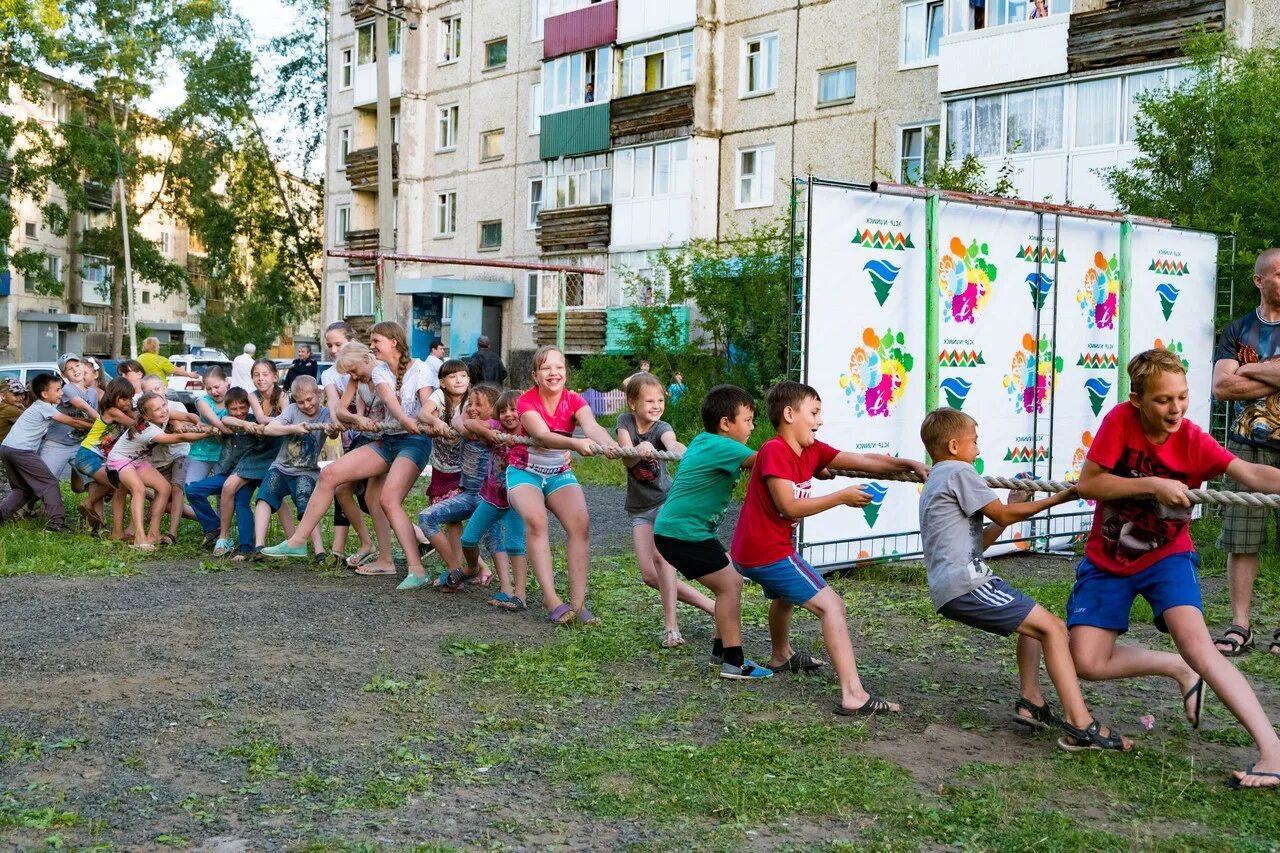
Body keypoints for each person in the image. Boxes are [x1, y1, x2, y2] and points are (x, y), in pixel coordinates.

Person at [1071, 348, 1280, 789]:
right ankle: (1176, 667)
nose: (1176, 408)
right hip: (1107, 559)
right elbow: (1089, 483)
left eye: (1182, 397)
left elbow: (1252, 475)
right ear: (1137, 399)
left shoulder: (1193, 440)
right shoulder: (1120, 421)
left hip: (1167, 556)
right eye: (1163, 400)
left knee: (1199, 646)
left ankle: (1273, 751)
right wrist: (1154, 484)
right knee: (1087, 661)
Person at [918, 407, 1131, 752]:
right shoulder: (960, 470)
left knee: (1036, 626)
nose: (978, 450)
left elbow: (978, 542)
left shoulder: (937, 479)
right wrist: (1060, 497)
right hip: (968, 585)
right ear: (954, 446)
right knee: (1054, 629)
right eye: (974, 441)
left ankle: (1031, 702)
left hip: (954, 585)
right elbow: (1003, 513)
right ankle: (1081, 724)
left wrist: (1009, 508)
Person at [728, 380, 927, 714]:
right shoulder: (775, 450)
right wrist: (841, 497)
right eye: (814, 413)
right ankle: (854, 694)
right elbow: (789, 506)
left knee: (784, 596)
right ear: (789, 414)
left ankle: (780, 654)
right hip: (766, 551)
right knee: (832, 606)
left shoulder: (812, 451)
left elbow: (864, 460)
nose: (819, 421)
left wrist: (909, 464)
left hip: (758, 549)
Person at [654, 384, 770, 679]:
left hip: (685, 532)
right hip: (683, 534)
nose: (752, 427)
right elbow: (771, 462)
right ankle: (734, 662)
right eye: (747, 420)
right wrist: (813, 463)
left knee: (731, 578)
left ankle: (720, 652)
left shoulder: (704, 441)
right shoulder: (723, 446)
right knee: (729, 584)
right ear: (726, 423)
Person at [507, 345, 619, 624]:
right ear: (535, 375)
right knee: (537, 521)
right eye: (546, 368)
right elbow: (543, 435)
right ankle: (552, 600)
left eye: (559, 367)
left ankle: (578, 606)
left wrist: (609, 444)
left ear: (566, 372)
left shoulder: (574, 400)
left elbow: (591, 426)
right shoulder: (526, 402)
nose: (553, 373)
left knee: (581, 525)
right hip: (525, 472)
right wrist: (576, 444)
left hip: (558, 471)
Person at [1210, 247, 1280, 657]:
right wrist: (1273, 373)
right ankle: (1241, 625)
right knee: (1242, 539)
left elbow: (1235, 378)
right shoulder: (1238, 329)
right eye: (1279, 274)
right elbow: (1222, 387)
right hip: (1245, 447)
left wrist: (1246, 368)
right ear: (1259, 280)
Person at [617, 373, 711, 648]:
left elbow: (672, 443)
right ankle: (712, 606)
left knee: (662, 557)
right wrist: (640, 448)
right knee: (649, 575)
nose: (656, 405)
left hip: (665, 501)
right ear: (633, 403)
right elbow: (627, 459)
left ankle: (671, 628)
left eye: (660, 400)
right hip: (639, 508)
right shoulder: (625, 422)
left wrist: (685, 451)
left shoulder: (662, 427)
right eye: (649, 401)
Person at [417, 384, 501, 590]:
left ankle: (507, 588)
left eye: (478, 404)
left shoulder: (497, 430)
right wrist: (466, 427)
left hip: (489, 499)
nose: (471, 408)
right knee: (426, 517)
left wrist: (475, 428)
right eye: (469, 403)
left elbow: (488, 429)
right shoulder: (466, 424)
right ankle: (456, 569)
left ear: (494, 409)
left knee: (493, 539)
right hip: (468, 495)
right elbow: (457, 420)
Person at [105, 391, 208, 549]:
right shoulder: (148, 430)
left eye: (164, 405)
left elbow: (189, 416)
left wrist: (198, 421)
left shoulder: (164, 414)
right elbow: (180, 438)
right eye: (157, 409)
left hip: (138, 461)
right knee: (138, 489)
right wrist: (208, 433)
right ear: (146, 416)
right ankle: (140, 537)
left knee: (164, 488)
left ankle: (153, 534)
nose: (164, 410)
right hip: (119, 460)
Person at [252, 375, 334, 560]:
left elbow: (334, 434)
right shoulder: (291, 410)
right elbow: (269, 429)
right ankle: (259, 546)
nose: (306, 405)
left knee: (308, 506)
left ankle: (320, 551)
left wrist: (333, 430)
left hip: (306, 471)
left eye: (309, 399)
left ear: (318, 394)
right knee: (264, 498)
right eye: (300, 402)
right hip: (281, 467)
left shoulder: (326, 414)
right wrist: (294, 428)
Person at [459, 389, 528, 609]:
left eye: (514, 409)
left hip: (516, 501)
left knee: (515, 545)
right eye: (504, 410)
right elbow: (470, 423)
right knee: (468, 539)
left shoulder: (528, 433)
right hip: (491, 498)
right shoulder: (497, 428)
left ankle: (519, 594)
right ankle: (472, 568)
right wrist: (488, 433)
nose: (509, 415)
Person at [0, 373, 91, 532]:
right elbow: (74, 422)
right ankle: (57, 522)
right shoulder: (44, 407)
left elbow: (72, 418)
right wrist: (100, 424)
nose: (61, 393)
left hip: (7, 448)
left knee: (23, 489)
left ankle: (1, 514)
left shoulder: (40, 406)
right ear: (44, 394)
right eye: (57, 390)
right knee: (49, 483)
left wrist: (87, 421)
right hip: (21, 450)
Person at [318, 321, 377, 566]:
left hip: (371, 433)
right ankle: (338, 550)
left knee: (369, 498)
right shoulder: (330, 373)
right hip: (351, 433)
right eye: (329, 345)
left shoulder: (368, 367)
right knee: (344, 489)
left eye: (338, 344)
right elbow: (334, 403)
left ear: (351, 341)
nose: (333, 350)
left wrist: (356, 419)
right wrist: (335, 424)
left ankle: (417, 537)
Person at [139, 373, 200, 545]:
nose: (154, 393)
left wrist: (178, 422)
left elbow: (186, 421)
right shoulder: (145, 411)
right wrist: (174, 422)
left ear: (165, 389)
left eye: (157, 389)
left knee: (176, 488)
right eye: (149, 391)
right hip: (159, 461)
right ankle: (206, 518)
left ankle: (172, 533)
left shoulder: (176, 405)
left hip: (180, 453)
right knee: (161, 498)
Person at [39, 353, 99, 482]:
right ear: (63, 374)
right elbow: (84, 408)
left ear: (82, 366)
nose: (75, 370)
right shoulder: (67, 389)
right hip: (57, 444)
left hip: (80, 444)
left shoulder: (93, 393)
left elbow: (92, 419)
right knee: (45, 482)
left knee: (95, 481)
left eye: (77, 365)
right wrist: (102, 423)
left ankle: (88, 495)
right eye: (69, 369)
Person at [186, 366, 231, 485]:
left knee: (223, 490)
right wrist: (224, 429)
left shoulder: (233, 401)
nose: (213, 392)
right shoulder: (202, 401)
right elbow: (214, 420)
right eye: (209, 388)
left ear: (226, 381)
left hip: (225, 454)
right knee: (191, 487)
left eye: (216, 387)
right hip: (201, 452)